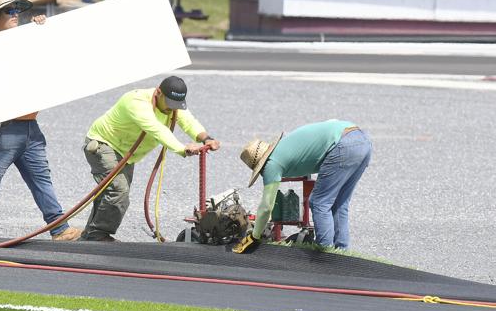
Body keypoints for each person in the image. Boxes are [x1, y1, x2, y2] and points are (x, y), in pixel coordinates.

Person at [0, 0, 81, 241]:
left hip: (31, 126)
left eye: (17, 9)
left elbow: (53, 58)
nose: (15, 14)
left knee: (42, 179)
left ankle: (59, 228)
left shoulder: (26, 40)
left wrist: (43, 31)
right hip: (3, 128)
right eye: (9, 11)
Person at [81, 76, 220, 242]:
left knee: (110, 193)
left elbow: (189, 122)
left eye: (176, 105)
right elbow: (157, 129)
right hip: (104, 144)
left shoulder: (173, 106)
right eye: (169, 103)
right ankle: (98, 236)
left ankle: (90, 236)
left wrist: (206, 138)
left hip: (126, 153)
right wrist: (183, 148)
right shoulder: (136, 101)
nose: (171, 109)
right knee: (118, 191)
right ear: (158, 92)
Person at [234, 119, 372, 253]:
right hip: (362, 140)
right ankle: (342, 252)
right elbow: (331, 124)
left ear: (259, 164)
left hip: (343, 145)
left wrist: (254, 236)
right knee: (339, 202)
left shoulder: (271, 164)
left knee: (319, 202)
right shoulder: (285, 146)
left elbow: (266, 207)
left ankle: (325, 252)